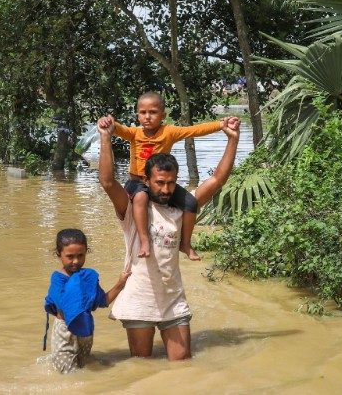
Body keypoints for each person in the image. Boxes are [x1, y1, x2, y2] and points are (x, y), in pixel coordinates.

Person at [97, 113, 240, 360]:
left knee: (183, 363)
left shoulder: (180, 208)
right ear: (146, 180)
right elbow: (108, 182)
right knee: (142, 366)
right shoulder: (131, 208)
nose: (165, 189)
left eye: (171, 183)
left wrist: (232, 141)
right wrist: (105, 139)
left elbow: (216, 180)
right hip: (139, 297)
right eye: (160, 183)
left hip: (173, 299)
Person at [98, 91, 233, 261]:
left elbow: (194, 130)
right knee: (140, 198)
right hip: (137, 182)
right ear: (137, 114)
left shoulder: (168, 132)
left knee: (190, 203)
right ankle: (144, 240)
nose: (147, 117)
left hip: (161, 183)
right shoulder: (134, 133)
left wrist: (221, 124)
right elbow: (118, 129)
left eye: (153, 112)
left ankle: (185, 243)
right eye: (143, 112)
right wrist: (108, 123)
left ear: (163, 115)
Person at [43, 228, 131, 373]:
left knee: (83, 367)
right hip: (65, 330)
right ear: (59, 255)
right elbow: (62, 303)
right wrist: (78, 283)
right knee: (67, 374)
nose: (76, 261)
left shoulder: (87, 278)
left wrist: (121, 283)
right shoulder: (58, 279)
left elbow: (104, 301)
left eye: (81, 255)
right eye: (70, 256)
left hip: (85, 329)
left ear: (86, 253)